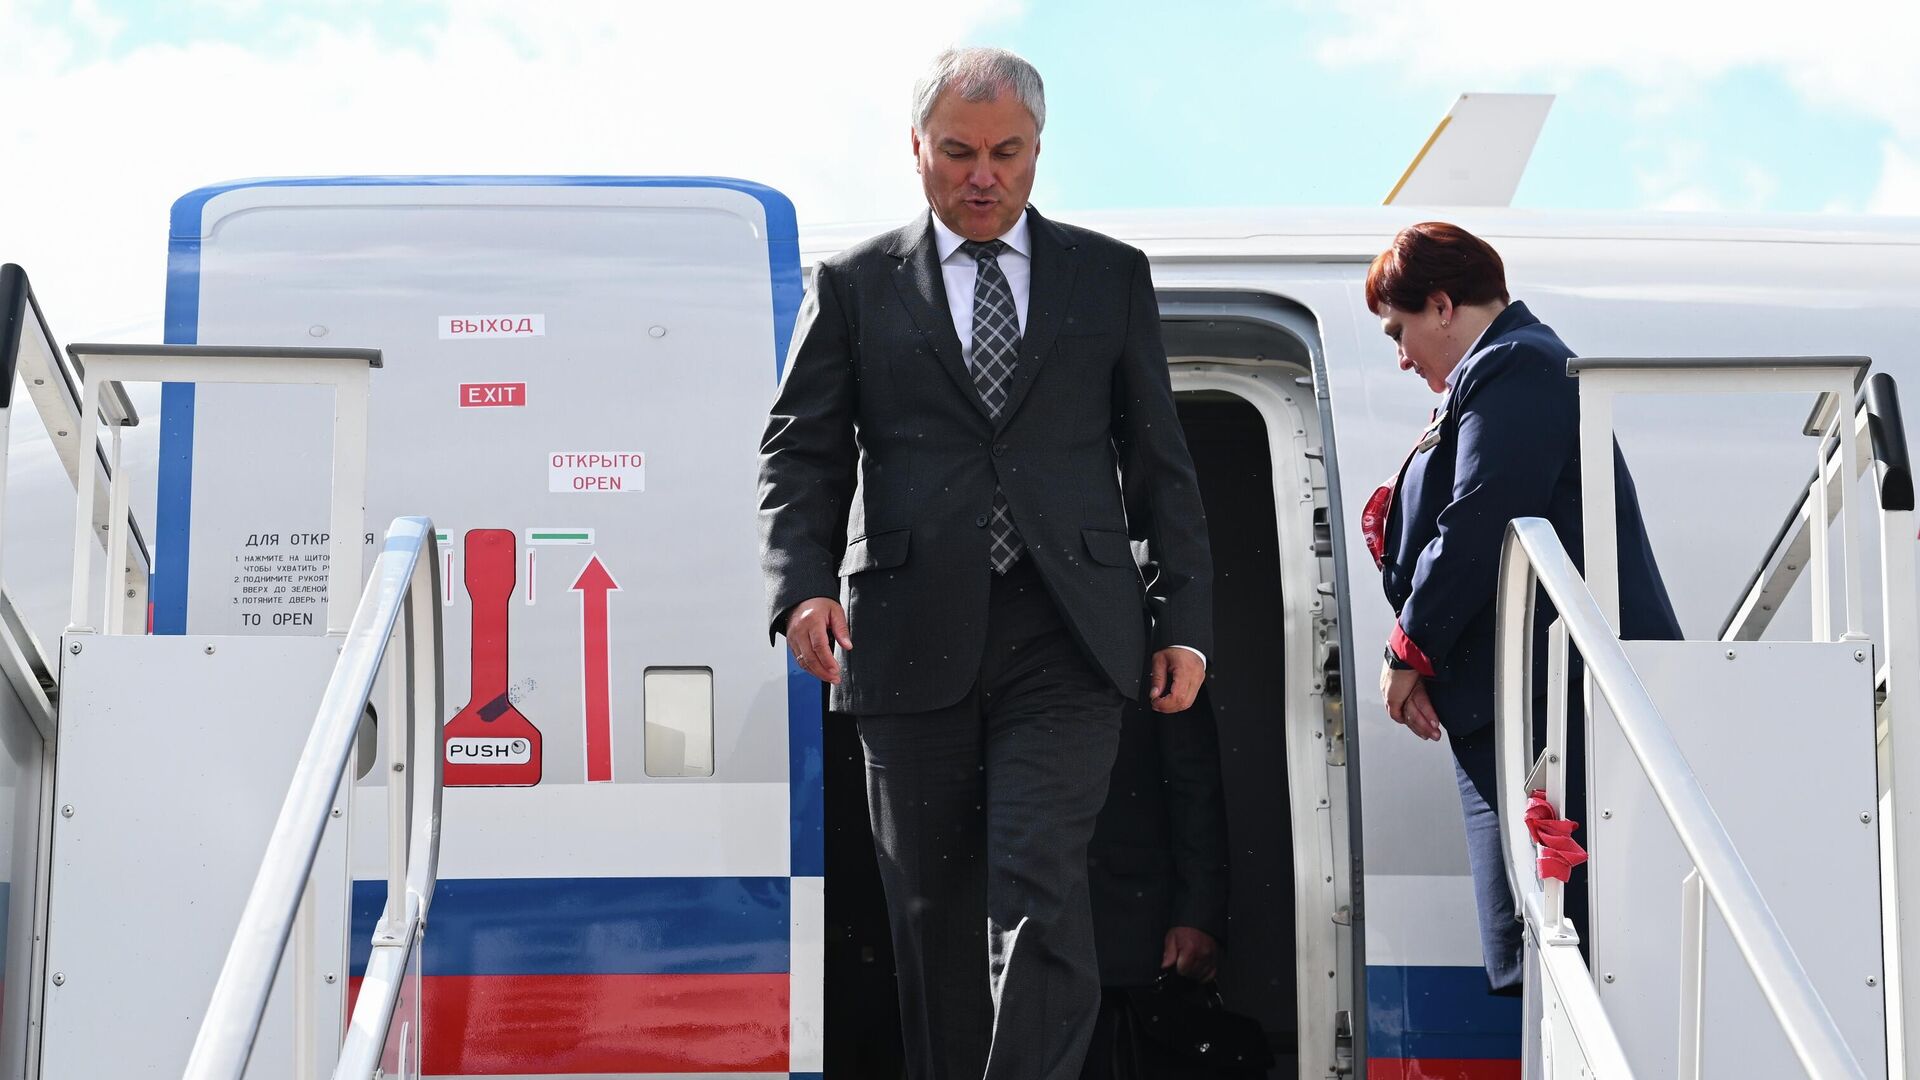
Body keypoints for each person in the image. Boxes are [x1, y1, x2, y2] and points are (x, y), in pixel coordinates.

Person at [758, 47, 1215, 1079]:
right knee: (933, 912)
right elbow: (801, 452)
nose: (983, 176)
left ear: (1037, 151)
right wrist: (803, 586)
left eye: (1007, 153)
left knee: (1038, 886)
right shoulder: (855, 284)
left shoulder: (1109, 276)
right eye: (959, 152)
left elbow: (1161, 460)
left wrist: (1185, 620)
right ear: (917, 149)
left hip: (1070, 633)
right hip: (907, 635)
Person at [1363, 222, 1682, 993]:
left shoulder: (1514, 363)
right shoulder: (1498, 370)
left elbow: (1481, 517)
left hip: (1551, 714)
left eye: (1399, 331)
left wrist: (1408, 647)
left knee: (1567, 954)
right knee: (1537, 960)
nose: (1401, 356)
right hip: (1516, 712)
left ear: (1442, 306)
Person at [1080, 686, 1230, 1079]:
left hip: (1130, 937)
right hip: (1014, 925)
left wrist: (1199, 915)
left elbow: (1195, 784)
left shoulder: (1157, 658)